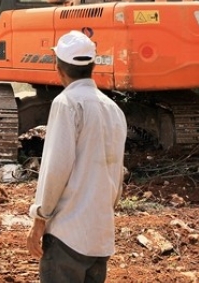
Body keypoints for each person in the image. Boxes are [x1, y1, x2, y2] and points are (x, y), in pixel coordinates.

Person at [26, 30, 127, 283]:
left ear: (58, 68)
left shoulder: (66, 103)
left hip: (67, 236)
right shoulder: (113, 110)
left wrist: (40, 218)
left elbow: (55, 169)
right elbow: (117, 175)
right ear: (92, 66)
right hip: (100, 239)